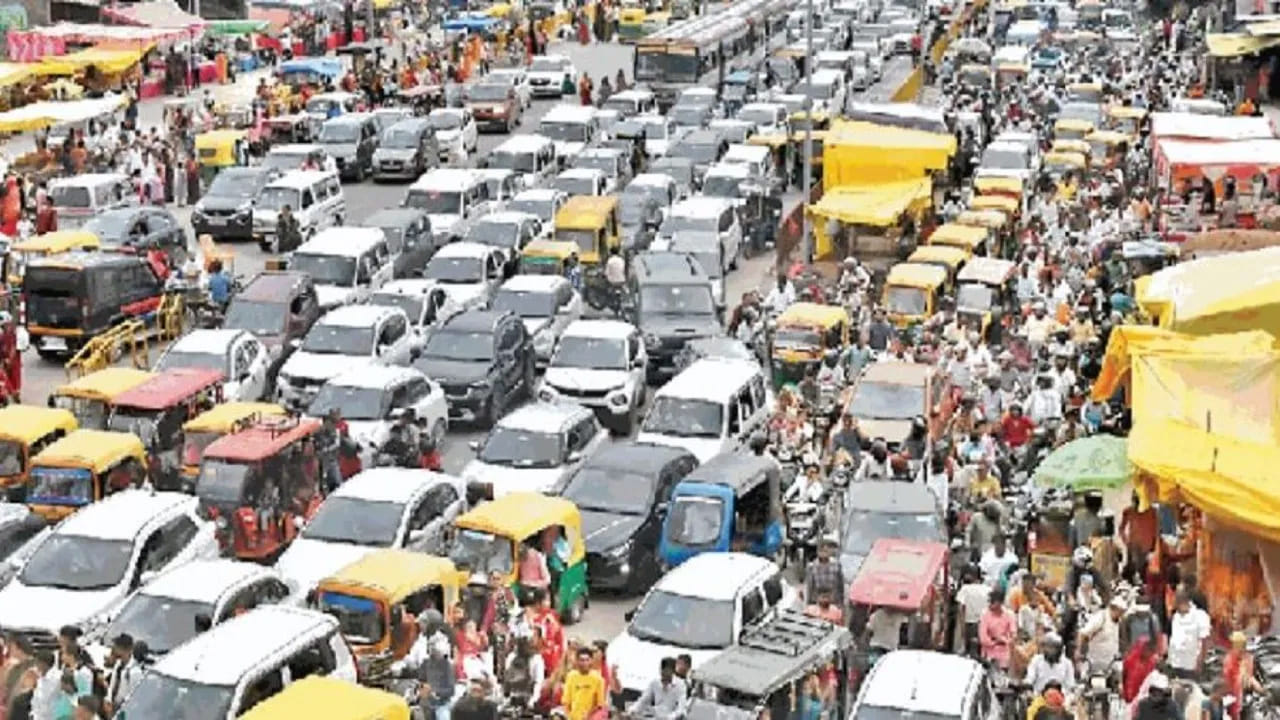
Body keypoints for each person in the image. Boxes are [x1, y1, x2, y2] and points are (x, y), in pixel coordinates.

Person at [1168, 591, 1210, 682]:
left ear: (1184, 602)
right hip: (1175, 663)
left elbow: (1205, 640)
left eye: (1177, 603)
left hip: (1191, 664)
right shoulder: (1176, 616)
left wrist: (1200, 661)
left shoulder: (1200, 616)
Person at [1221, 631, 1263, 720]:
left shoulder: (1248, 658)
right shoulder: (1229, 660)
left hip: (1245, 697)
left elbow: (1251, 677)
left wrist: (1261, 690)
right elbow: (1228, 680)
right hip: (1233, 697)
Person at [103, 634, 142, 717]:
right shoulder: (118, 664)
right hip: (112, 705)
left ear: (126, 650)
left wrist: (119, 707)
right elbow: (112, 684)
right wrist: (108, 700)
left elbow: (132, 696)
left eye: (117, 647)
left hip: (122, 709)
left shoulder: (134, 672)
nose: (114, 649)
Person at [562, 647, 607, 720]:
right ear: (577, 661)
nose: (585, 663)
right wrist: (568, 716)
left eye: (587, 660)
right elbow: (566, 701)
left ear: (591, 661)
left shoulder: (598, 678)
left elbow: (599, 704)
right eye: (582, 660)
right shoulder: (571, 676)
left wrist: (588, 715)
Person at [979, 588, 1015, 669]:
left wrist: (1004, 640)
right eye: (989, 602)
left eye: (992, 602)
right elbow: (983, 638)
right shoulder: (985, 615)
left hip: (1004, 655)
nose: (990, 604)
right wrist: (996, 642)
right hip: (989, 654)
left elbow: (1012, 634)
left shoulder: (1009, 615)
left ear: (1000, 602)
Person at [804, 539, 844, 604]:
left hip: (833, 600)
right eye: (821, 551)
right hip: (817, 600)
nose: (823, 554)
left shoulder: (836, 565)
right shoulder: (812, 567)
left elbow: (840, 585)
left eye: (826, 551)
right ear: (818, 552)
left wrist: (841, 602)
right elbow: (809, 586)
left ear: (829, 552)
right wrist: (808, 603)